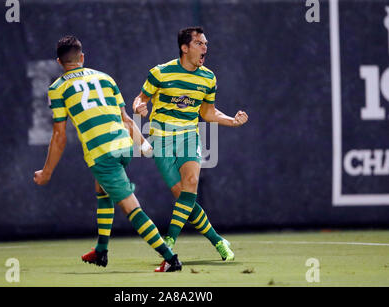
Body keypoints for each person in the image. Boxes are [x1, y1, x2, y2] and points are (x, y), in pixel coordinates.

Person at [33, 35, 181, 272]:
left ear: (59, 62)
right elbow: (126, 120)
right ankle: (101, 251)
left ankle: (171, 259)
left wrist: (47, 172)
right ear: (82, 57)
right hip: (123, 147)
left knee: (131, 208)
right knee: (102, 191)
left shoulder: (57, 88)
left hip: (102, 154)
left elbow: (59, 136)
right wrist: (145, 147)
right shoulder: (105, 78)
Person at [132, 26, 248, 261]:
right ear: (185, 48)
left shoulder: (208, 77)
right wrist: (138, 107)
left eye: (205, 43)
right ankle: (217, 240)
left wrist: (232, 122)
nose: (205, 47)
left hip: (188, 137)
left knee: (192, 182)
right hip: (161, 139)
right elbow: (140, 99)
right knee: (183, 197)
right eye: (199, 43)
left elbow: (208, 113)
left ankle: (170, 240)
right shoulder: (160, 73)